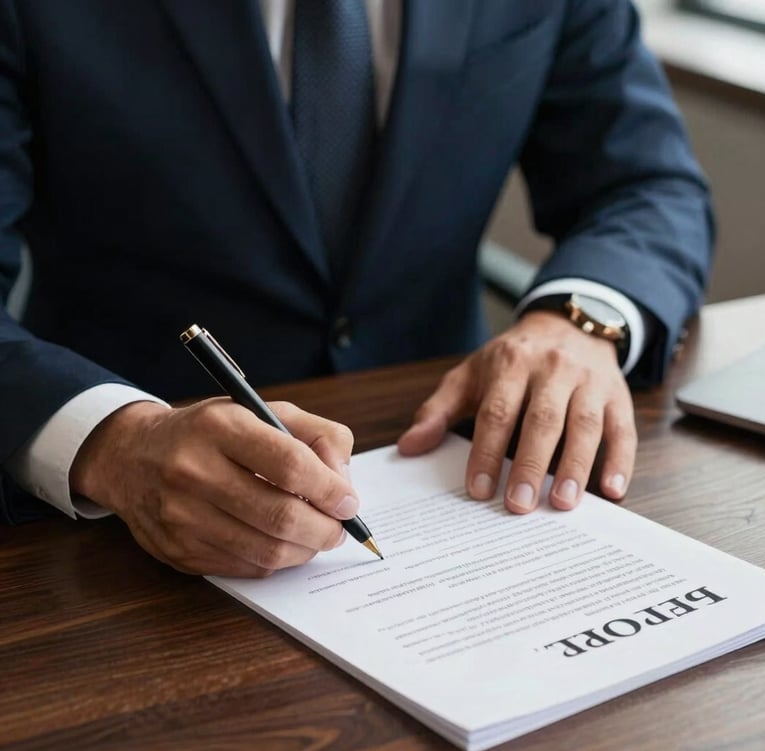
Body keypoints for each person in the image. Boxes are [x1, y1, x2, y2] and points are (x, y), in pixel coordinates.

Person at [0, 1, 713, 577]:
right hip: (111, 530)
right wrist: (114, 446)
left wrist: (578, 321)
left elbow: (647, 183)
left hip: (446, 460)